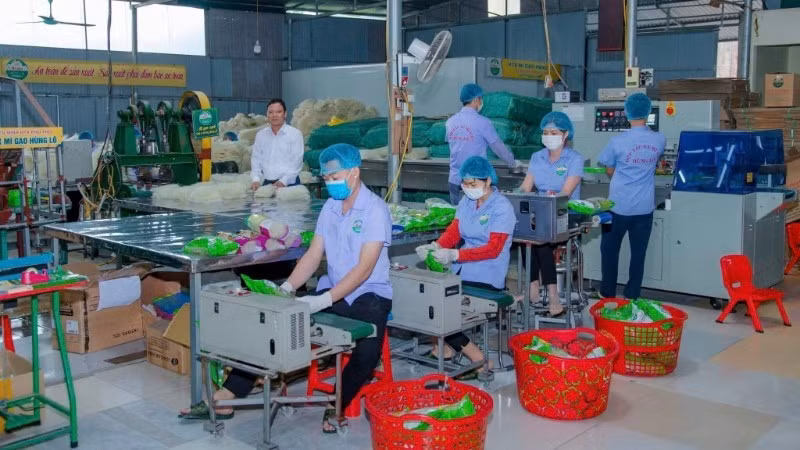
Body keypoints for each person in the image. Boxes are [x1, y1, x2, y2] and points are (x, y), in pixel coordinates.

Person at [181, 144, 392, 435]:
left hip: (370, 294)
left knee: (367, 354)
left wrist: (324, 300)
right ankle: (229, 394)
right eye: (327, 178)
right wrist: (288, 288)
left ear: (354, 173)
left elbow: (365, 268)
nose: (330, 182)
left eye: (335, 176)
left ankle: (337, 405)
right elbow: (313, 255)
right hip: (332, 289)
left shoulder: (375, 210)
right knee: (274, 324)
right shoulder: (330, 208)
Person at [415, 156, 515, 378]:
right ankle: (445, 349)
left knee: (442, 310)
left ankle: (479, 360)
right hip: (462, 270)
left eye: (473, 184)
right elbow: (455, 231)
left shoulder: (502, 207)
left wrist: (455, 254)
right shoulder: (466, 202)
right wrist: (436, 245)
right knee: (430, 300)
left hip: (488, 273)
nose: (469, 189)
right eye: (465, 184)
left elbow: (493, 249)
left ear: (488, 181)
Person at [597, 93, 665, 300]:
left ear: (626, 113)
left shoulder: (617, 141)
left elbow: (609, 169)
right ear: (648, 112)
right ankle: (632, 294)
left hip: (617, 207)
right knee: (638, 254)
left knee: (609, 250)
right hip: (644, 208)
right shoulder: (659, 139)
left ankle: (607, 293)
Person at [519, 111, 583, 316]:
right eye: (545, 132)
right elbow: (526, 187)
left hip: (565, 212)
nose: (549, 136)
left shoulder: (574, 159)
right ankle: (533, 283)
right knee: (524, 233)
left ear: (565, 135)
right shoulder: (537, 157)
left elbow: (566, 193)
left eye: (554, 132)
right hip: (541, 212)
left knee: (542, 238)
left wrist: (548, 207)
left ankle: (552, 293)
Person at [446, 83, 520, 205]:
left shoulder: (450, 122)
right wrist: (512, 162)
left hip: (454, 179)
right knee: (479, 219)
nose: (481, 102)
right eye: (481, 99)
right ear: (476, 100)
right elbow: (498, 147)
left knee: (458, 218)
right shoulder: (482, 122)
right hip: (475, 182)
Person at [250, 98, 304, 191]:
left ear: (285, 114)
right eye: (270, 112)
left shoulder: (295, 134)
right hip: (267, 183)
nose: (274, 115)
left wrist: (283, 181)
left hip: (289, 184)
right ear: (267, 115)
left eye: (278, 112)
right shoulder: (261, 135)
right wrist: (256, 179)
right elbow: (256, 158)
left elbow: (297, 161)